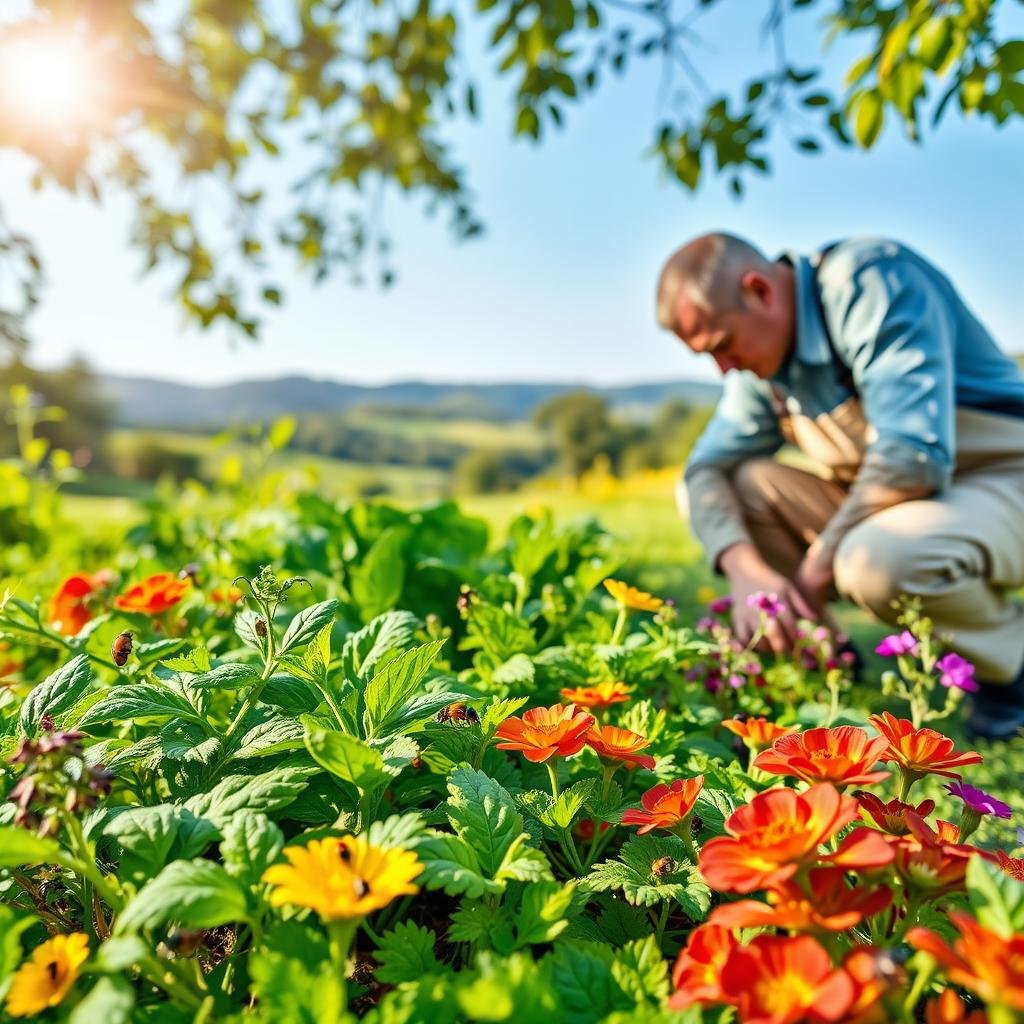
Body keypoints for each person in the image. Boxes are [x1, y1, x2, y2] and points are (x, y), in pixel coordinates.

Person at [656, 233, 1024, 741]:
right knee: (736, 488)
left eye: (722, 345)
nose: (724, 369)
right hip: (901, 502)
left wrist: (811, 574)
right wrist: (744, 570)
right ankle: (827, 659)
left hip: (1001, 474)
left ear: (759, 291)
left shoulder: (868, 281)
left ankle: (1011, 665)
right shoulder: (760, 369)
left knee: (877, 560)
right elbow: (704, 471)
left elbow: (910, 457)